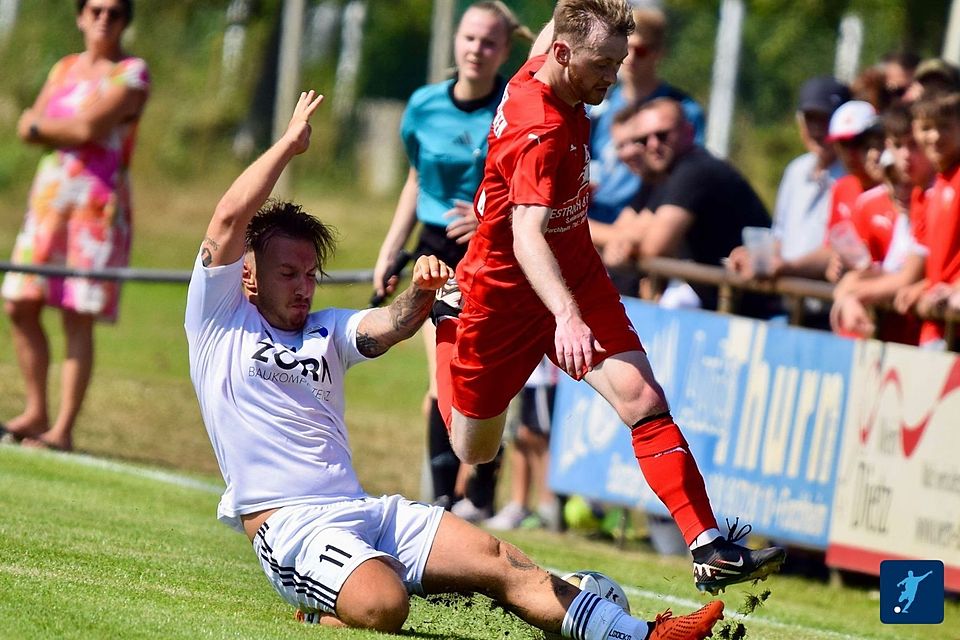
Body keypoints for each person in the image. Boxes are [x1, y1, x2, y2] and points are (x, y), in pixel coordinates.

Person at [185, 90, 725, 640]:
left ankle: (643, 635)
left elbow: (386, 326)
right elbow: (229, 218)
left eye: (309, 274)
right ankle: (337, 602)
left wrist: (422, 295)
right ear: (248, 276)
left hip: (365, 511)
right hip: (291, 525)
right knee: (383, 604)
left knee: (497, 557)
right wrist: (288, 146)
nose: (304, 288)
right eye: (288, 275)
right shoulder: (219, 320)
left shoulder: (325, 329)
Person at [433, 0, 785, 596]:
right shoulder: (538, 130)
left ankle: (708, 545)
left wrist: (571, 304)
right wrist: (564, 317)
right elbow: (525, 236)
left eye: (619, 63)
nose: (613, 78)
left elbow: (560, 17)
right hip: (500, 295)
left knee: (642, 396)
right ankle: (444, 317)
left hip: (575, 278)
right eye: (604, 65)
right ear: (566, 57)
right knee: (474, 445)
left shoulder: (550, 60)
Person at [372, 2, 534, 521]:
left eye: (489, 42)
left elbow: (526, 191)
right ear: (456, 42)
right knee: (440, 383)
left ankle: (482, 478)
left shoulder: (513, 107)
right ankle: (444, 502)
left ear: (504, 50)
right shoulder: (423, 105)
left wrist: (487, 222)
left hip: (490, 253)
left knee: (480, 379)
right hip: (436, 254)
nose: (476, 50)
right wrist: (389, 249)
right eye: (469, 38)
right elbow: (416, 181)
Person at [0, 0, 149, 452]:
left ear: (126, 20)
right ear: (81, 16)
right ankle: (35, 410)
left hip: (94, 208)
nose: (104, 19)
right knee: (19, 303)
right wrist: (45, 126)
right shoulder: (64, 67)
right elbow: (29, 123)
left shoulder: (133, 73)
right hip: (48, 204)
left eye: (115, 12)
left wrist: (43, 127)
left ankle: (61, 428)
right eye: (96, 10)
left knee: (75, 314)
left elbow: (86, 127)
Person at [600, 97, 775, 315]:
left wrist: (624, 245)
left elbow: (654, 247)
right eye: (643, 140)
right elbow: (626, 230)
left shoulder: (695, 170)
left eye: (662, 135)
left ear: (688, 132)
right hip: (717, 303)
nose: (653, 145)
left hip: (752, 310)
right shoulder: (663, 174)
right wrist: (621, 243)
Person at [584, 6, 706, 295]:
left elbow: (680, 182)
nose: (629, 61)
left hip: (642, 234)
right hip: (593, 226)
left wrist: (631, 235)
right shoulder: (597, 106)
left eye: (639, 51)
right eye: (623, 50)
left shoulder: (681, 111)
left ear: (658, 52)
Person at [726, 76, 849, 324]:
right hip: (788, 305)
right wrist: (755, 255)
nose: (817, 129)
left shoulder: (852, 177)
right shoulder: (796, 170)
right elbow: (781, 237)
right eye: (810, 118)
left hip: (829, 310)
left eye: (825, 119)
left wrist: (787, 267)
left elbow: (842, 248)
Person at [830, 105, 932, 343]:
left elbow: (906, 278)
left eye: (913, 145)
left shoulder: (932, 196)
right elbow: (887, 271)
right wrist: (847, 285)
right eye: (893, 179)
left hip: (929, 336)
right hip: (895, 336)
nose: (906, 156)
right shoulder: (913, 202)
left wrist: (852, 296)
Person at [893, 91, 960, 349]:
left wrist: (955, 289)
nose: (935, 136)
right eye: (926, 128)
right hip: (935, 327)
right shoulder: (931, 187)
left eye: (945, 127)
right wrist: (925, 286)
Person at [485, 357, 561, 531]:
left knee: (538, 437)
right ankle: (519, 505)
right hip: (520, 372)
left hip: (543, 375)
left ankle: (547, 506)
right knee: (519, 435)